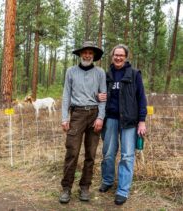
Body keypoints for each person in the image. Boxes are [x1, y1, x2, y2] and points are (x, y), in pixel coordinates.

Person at [99, 44, 147, 205]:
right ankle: (107, 180)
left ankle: (122, 190)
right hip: (110, 119)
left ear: (126, 57)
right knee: (108, 154)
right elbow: (100, 94)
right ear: (112, 57)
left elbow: (141, 98)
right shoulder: (107, 75)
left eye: (121, 55)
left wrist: (142, 121)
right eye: (115, 55)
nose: (118, 57)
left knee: (127, 156)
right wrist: (97, 96)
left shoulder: (134, 75)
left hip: (130, 122)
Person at [59, 41, 106, 203]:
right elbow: (66, 95)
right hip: (77, 114)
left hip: (94, 114)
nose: (87, 55)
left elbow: (103, 97)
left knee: (90, 154)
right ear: (80, 54)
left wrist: (100, 117)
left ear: (94, 56)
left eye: (90, 53)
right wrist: (65, 118)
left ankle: (85, 187)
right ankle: (66, 188)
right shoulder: (71, 71)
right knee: (72, 151)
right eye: (84, 52)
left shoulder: (100, 73)